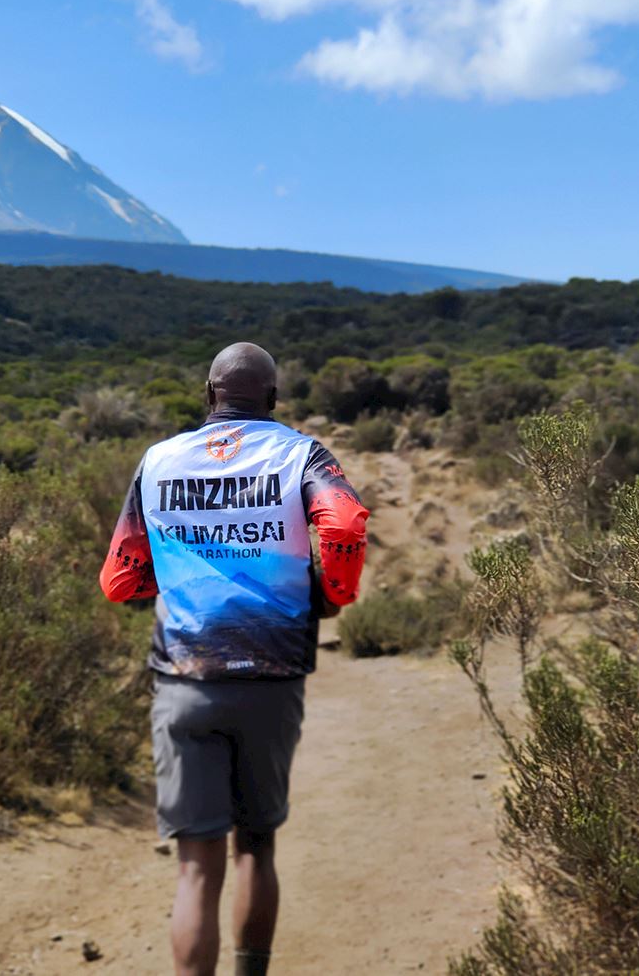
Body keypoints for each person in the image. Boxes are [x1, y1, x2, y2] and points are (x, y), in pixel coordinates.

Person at [100, 342, 370, 975]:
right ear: (272, 401)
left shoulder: (159, 460)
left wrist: (169, 579)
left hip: (184, 682)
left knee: (196, 870)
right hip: (272, 681)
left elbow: (120, 580)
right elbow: (344, 526)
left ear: (208, 394)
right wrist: (330, 596)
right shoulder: (301, 454)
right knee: (256, 847)